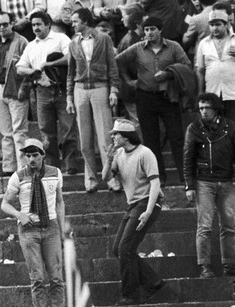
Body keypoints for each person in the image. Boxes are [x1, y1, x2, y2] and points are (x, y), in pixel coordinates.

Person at [0, 138, 66, 307]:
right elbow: (5, 203)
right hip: (29, 228)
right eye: (27, 155)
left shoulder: (55, 173)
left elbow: (60, 202)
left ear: (42, 155)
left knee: (56, 276)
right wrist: (20, 215)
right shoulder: (18, 176)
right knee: (37, 277)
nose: (31, 159)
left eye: (35, 155)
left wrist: (61, 229)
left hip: (51, 226)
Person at [116, 17, 190, 186]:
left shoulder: (173, 47)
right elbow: (118, 60)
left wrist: (169, 73)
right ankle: (159, 178)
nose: (149, 33)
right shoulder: (137, 48)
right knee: (150, 139)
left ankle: (185, 177)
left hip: (167, 97)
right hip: (145, 96)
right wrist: (128, 80)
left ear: (160, 30)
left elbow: (186, 65)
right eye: (146, 29)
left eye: (152, 29)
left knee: (176, 137)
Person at [106, 118, 166, 305]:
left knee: (126, 248)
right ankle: (153, 282)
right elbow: (106, 177)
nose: (113, 137)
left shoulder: (145, 153)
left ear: (126, 136)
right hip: (133, 204)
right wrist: (108, 160)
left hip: (147, 202)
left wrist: (148, 211)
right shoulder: (119, 154)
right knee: (118, 249)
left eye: (116, 134)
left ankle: (130, 294)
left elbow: (155, 182)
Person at [66, 8, 121, 194]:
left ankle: (111, 177)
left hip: (100, 87)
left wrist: (114, 89)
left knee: (105, 136)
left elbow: (113, 66)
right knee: (85, 139)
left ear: (84, 21)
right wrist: (69, 97)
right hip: (80, 89)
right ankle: (90, 179)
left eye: (75, 21)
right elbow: (70, 73)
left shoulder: (103, 39)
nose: (72, 25)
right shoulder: (73, 43)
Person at [16, 11, 78, 175]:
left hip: (61, 89)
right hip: (41, 91)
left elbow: (71, 57)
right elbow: (19, 67)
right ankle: (52, 168)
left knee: (68, 129)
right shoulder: (31, 45)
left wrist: (50, 64)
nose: (35, 28)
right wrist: (33, 72)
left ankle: (70, 165)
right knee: (46, 133)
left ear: (48, 24)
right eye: (33, 25)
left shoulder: (61, 38)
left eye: (38, 24)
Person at [184, 93, 235, 278]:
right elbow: (188, 158)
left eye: (207, 107)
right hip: (203, 181)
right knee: (204, 225)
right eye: (201, 108)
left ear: (216, 108)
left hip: (227, 180)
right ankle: (204, 266)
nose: (203, 111)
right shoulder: (194, 128)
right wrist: (189, 186)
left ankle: (230, 265)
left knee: (229, 225)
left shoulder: (230, 127)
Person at [0, 12, 29, 177]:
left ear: (12, 23)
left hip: (15, 89)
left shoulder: (21, 42)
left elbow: (29, 66)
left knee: (19, 131)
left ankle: (23, 167)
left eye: (5, 24)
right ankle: (8, 167)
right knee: (5, 132)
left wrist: (24, 87)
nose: (2, 28)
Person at [195, 7, 235, 123]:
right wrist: (201, 92)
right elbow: (200, 70)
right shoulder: (204, 43)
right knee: (215, 126)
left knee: (232, 126)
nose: (214, 28)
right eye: (211, 25)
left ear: (226, 24)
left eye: (217, 24)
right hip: (212, 92)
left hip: (232, 91)